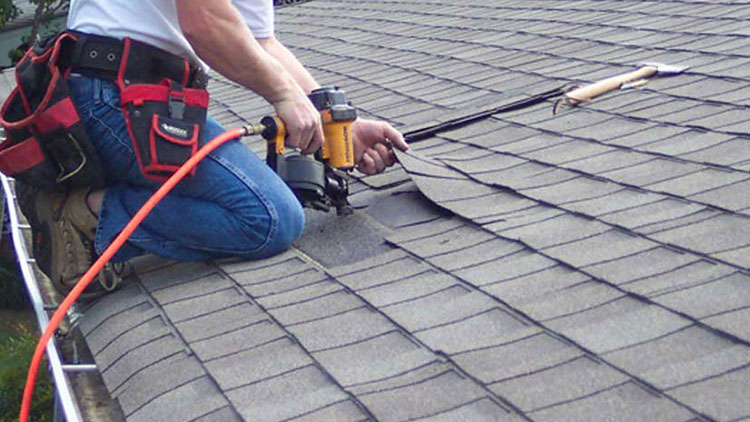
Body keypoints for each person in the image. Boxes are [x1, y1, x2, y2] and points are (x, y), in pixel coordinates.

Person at [19, 0, 408, 297]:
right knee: (268, 217)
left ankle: (102, 209)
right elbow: (203, 20)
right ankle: (84, 216)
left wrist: (337, 122)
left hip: (149, 96)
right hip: (111, 94)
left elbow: (258, 41)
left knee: (268, 211)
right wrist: (283, 94)